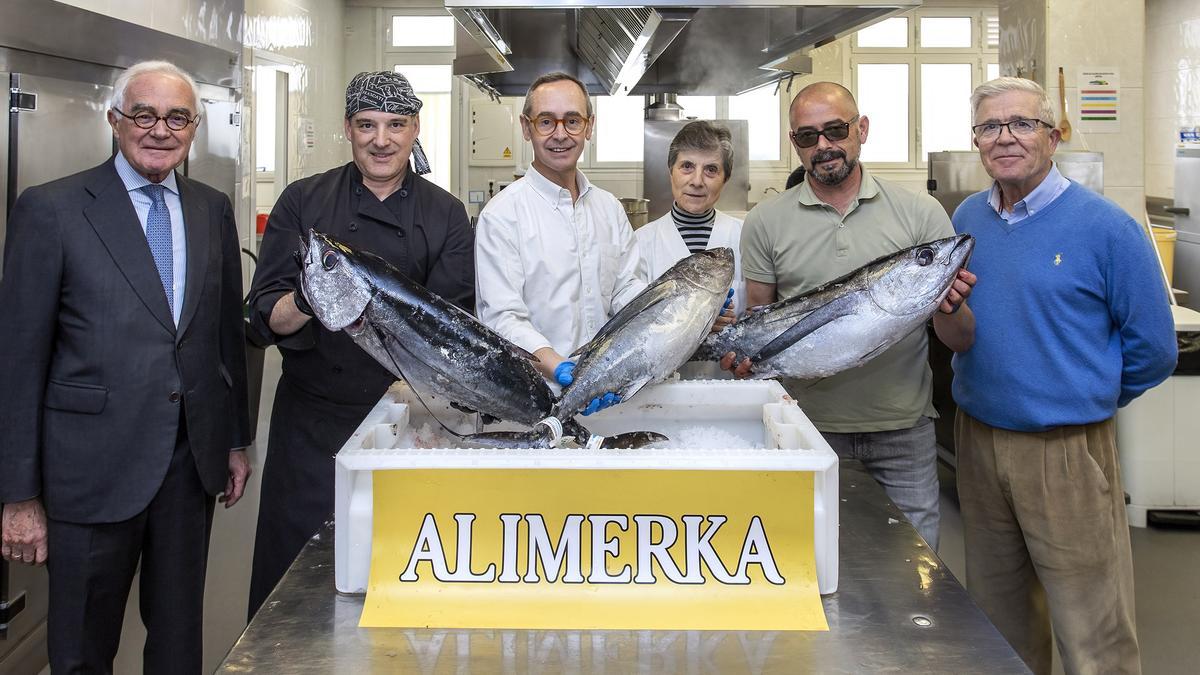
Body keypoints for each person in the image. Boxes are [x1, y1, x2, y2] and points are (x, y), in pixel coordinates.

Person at [0, 60, 251, 673]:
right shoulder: (52, 209)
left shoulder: (210, 208)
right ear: (116, 121)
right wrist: (17, 496)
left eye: (177, 118)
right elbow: (17, 360)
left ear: (193, 128)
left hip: (188, 465)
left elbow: (224, 338)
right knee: (84, 646)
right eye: (144, 114)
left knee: (176, 641)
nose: (159, 130)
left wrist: (235, 440)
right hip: (88, 471)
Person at [951, 77, 1176, 675]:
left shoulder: (1107, 229)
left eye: (1022, 123)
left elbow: (1155, 349)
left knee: (1093, 632)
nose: (1005, 138)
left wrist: (1086, 395)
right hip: (977, 440)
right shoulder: (968, 216)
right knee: (998, 625)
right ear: (976, 141)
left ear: (1054, 136)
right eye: (989, 127)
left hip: (1068, 450)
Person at [246, 71, 474, 618]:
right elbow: (262, 317)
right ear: (347, 128)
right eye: (367, 125)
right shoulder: (303, 201)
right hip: (313, 421)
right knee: (296, 576)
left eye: (396, 125)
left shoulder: (444, 214)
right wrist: (310, 299)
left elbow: (451, 329)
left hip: (407, 418)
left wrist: (427, 408)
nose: (382, 139)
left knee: (400, 566)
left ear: (415, 128)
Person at [728, 82, 976, 550]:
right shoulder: (765, 220)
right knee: (807, 560)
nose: (823, 146)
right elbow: (760, 321)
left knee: (916, 570)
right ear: (794, 144)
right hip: (804, 426)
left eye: (835, 130)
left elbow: (960, 340)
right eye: (807, 136)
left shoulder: (920, 214)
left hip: (903, 428)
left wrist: (952, 307)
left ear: (860, 129)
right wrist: (742, 359)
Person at [475, 72, 647, 407]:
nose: (560, 135)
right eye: (545, 122)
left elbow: (627, 290)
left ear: (589, 126)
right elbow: (503, 318)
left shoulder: (609, 208)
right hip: (537, 398)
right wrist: (560, 368)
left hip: (609, 392)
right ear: (526, 128)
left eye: (572, 121)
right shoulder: (501, 215)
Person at [637, 120, 742, 378]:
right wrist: (696, 320)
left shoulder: (744, 237)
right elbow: (634, 327)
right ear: (670, 171)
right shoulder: (641, 242)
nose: (697, 181)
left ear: (725, 178)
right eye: (687, 167)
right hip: (658, 393)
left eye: (711, 170)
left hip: (731, 392)